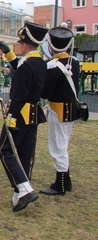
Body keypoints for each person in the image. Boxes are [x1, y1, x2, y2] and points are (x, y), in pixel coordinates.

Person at [0, 21, 48, 212]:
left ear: (25, 44)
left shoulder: (26, 66)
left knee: (5, 150)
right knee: (24, 154)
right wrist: (8, 53)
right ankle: (21, 192)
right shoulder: (40, 63)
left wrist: (11, 116)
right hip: (34, 113)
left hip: (19, 113)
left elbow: (17, 96)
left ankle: (23, 188)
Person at [40, 26, 79, 195]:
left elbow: (46, 92)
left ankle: (60, 184)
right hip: (70, 109)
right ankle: (66, 181)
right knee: (62, 144)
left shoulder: (53, 66)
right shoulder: (74, 62)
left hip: (58, 110)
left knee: (58, 147)